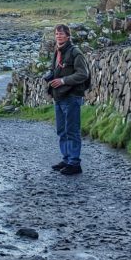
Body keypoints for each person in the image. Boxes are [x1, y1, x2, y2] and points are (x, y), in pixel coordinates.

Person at [43, 24, 90, 176]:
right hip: (59, 96)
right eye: (57, 34)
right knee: (62, 131)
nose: (59, 36)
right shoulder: (57, 51)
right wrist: (51, 74)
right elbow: (54, 69)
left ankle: (75, 163)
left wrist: (63, 81)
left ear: (68, 36)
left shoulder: (76, 52)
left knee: (72, 131)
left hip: (71, 97)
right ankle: (67, 159)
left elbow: (83, 74)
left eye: (62, 34)